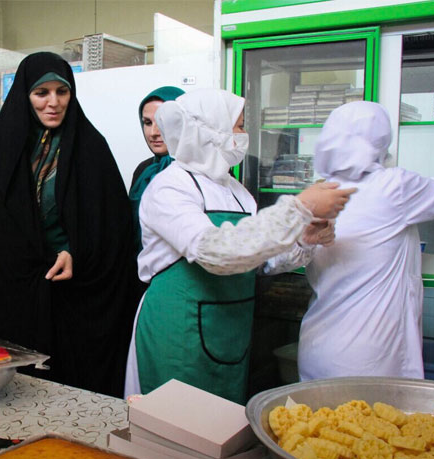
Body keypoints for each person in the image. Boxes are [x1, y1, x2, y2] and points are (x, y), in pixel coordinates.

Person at [124, 89, 355, 403]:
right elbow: (216, 252)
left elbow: (258, 260)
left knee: (220, 422)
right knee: (171, 419)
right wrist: (298, 208)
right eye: (240, 125)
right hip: (178, 329)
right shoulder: (170, 187)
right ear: (210, 129)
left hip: (229, 331)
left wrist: (304, 239)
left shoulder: (236, 191)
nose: (244, 135)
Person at [0, 52, 139, 397]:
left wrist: (75, 251)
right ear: (24, 95)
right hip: (17, 291)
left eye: (62, 92)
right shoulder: (3, 146)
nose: (53, 102)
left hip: (75, 294)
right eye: (41, 93)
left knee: (71, 385)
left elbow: (112, 227)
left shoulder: (91, 147)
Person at [297, 101, 434, 381]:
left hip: (318, 348)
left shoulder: (319, 193)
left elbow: (277, 256)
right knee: (373, 411)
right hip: (370, 357)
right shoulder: (394, 187)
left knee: (318, 411)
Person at [128, 86, 185, 258]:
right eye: (147, 123)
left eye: (163, 123)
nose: (154, 133)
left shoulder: (199, 168)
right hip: (140, 266)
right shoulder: (144, 170)